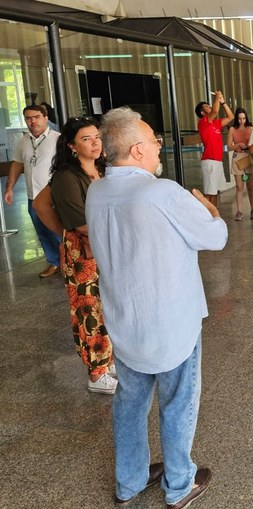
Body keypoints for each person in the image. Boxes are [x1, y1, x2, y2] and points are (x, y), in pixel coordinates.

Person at [86, 106, 227, 508]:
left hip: (125, 320)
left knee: (130, 402)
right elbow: (215, 237)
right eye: (153, 141)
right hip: (170, 323)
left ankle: (128, 481)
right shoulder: (161, 192)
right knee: (178, 402)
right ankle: (179, 485)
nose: (159, 147)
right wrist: (212, 213)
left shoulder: (97, 191)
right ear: (136, 150)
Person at [36, 117, 118, 394]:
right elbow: (76, 221)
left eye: (97, 137)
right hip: (84, 252)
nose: (95, 143)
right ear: (71, 146)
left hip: (105, 245)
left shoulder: (101, 168)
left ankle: (107, 360)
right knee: (89, 309)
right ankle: (96, 374)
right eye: (86, 139)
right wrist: (64, 232)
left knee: (107, 305)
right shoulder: (67, 177)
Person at [3, 105, 61, 278]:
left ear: (45, 118)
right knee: (42, 233)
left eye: (36, 117)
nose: (32, 121)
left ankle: (71, 263)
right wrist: (9, 188)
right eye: (28, 118)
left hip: (53, 196)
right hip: (32, 196)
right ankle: (54, 262)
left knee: (59, 231)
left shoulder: (58, 139)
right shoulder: (23, 141)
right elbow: (17, 164)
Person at [194, 90, 234, 208]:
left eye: (209, 104)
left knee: (214, 192)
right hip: (209, 161)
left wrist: (223, 102)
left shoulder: (215, 123)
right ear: (202, 112)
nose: (209, 106)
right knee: (209, 193)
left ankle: (215, 215)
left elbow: (230, 116)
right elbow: (215, 111)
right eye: (206, 106)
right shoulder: (203, 122)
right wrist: (217, 97)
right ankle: (205, 215)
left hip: (218, 161)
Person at [226, 107, 253, 221]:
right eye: (239, 119)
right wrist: (238, 145)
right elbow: (229, 146)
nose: (241, 121)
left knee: (250, 185)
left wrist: (247, 146)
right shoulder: (232, 129)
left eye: (243, 118)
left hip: (248, 156)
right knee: (239, 186)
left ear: (246, 118)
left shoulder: (250, 129)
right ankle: (239, 211)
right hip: (237, 157)